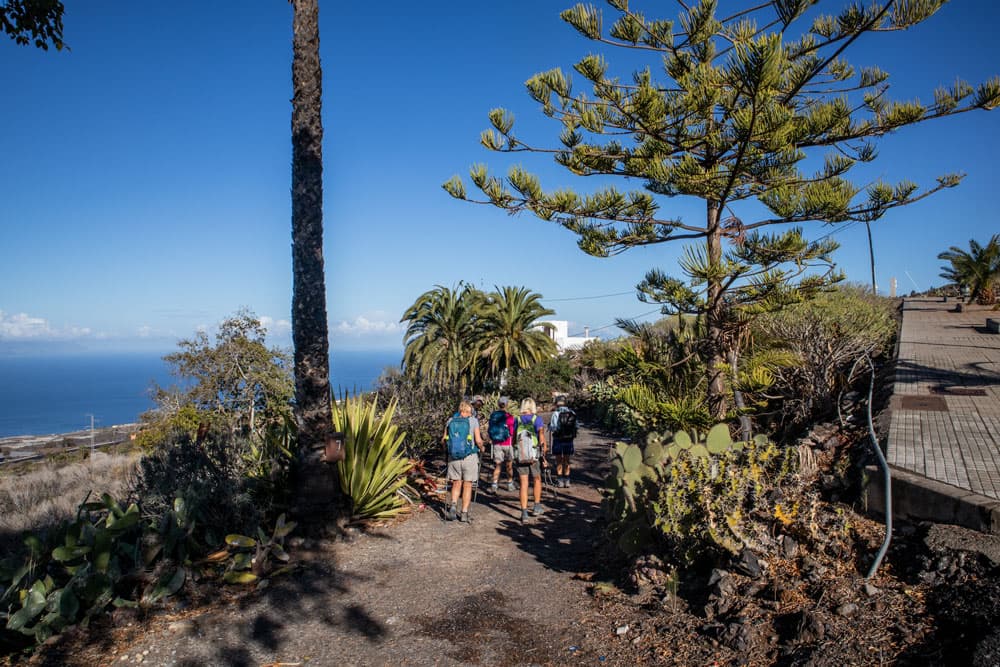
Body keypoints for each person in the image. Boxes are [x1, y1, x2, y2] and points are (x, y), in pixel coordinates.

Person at [441, 400, 483, 522]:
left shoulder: (450, 421)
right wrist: (482, 448)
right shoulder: (473, 421)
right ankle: (464, 513)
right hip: (469, 457)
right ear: (469, 410)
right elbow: (478, 440)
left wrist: (447, 451)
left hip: (453, 457)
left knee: (456, 482)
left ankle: (453, 506)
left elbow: (443, 440)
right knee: (468, 484)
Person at [513, 397, 547, 522]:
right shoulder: (537, 419)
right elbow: (541, 437)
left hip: (521, 455)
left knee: (524, 483)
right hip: (534, 454)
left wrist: (515, 451)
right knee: (537, 479)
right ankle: (537, 506)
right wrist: (544, 453)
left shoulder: (517, 419)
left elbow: (513, 437)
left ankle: (524, 512)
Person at [488, 396, 516, 493]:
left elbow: (490, 429)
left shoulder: (493, 416)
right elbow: (512, 432)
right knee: (509, 465)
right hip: (507, 443)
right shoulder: (509, 417)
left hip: (496, 444)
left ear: (498, 404)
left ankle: (494, 484)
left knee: (498, 465)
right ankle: (510, 484)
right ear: (507, 404)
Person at [549, 395, 578, 488]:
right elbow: (577, 426)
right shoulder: (572, 412)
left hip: (558, 439)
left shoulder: (555, 413)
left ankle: (560, 479)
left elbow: (553, 427)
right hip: (569, 439)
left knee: (559, 460)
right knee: (567, 459)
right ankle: (567, 479)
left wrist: (550, 427)